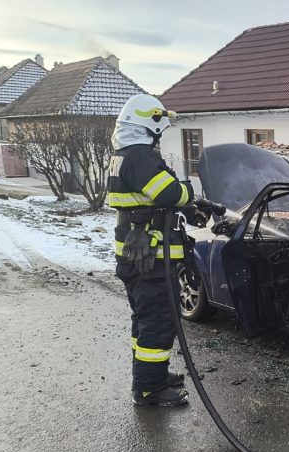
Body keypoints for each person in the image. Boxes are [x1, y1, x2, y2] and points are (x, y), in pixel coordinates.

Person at [109, 94, 194, 407]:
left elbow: (149, 200)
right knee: (157, 323)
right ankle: (150, 391)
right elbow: (169, 192)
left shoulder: (123, 155)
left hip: (135, 256)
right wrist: (190, 191)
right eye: (159, 129)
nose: (160, 137)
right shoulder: (140, 156)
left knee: (143, 321)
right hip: (150, 261)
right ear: (149, 124)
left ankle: (149, 375)